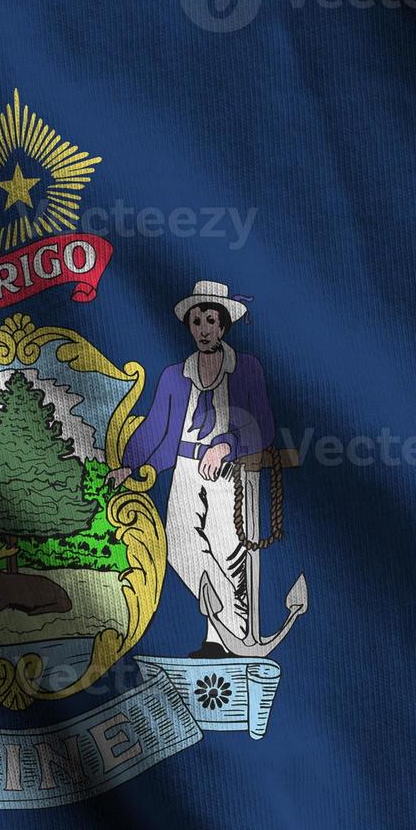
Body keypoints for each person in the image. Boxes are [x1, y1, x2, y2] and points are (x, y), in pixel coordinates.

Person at [107, 280, 275, 658]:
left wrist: (227, 445)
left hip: (231, 473)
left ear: (223, 326)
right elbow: (155, 427)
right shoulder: (174, 375)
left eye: (210, 320)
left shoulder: (246, 368)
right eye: (196, 321)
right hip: (185, 467)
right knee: (182, 548)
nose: (203, 328)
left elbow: (261, 425)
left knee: (230, 552)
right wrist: (128, 466)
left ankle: (219, 642)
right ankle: (235, 626)